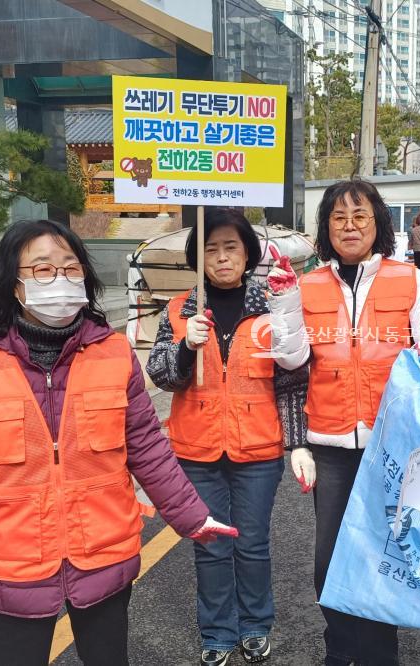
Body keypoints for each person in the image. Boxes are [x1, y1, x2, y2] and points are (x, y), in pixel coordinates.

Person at [0, 220, 230, 665]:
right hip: (12, 565)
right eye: (42, 270)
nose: (60, 281)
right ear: (13, 285)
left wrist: (192, 517)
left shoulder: (114, 354)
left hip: (103, 554)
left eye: (70, 268)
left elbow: (149, 450)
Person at [266, 178, 420, 666]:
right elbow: (291, 362)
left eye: (360, 215)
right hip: (330, 446)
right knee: (331, 562)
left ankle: (378, 653)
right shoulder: (307, 285)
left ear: (378, 223)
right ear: (325, 227)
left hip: (394, 445)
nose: (350, 225)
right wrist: (283, 306)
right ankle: (342, 646)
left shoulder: (410, 279)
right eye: (339, 217)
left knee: (388, 556)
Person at [146, 209, 308, 666]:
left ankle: (255, 625)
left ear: (247, 254)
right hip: (196, 450)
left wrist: (296, 443)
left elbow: (293, 381)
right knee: (211, 544)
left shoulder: (272, 303)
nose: (221, 257)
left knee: (252, 543)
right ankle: (217, 632)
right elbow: (160, 374)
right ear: (198, 258)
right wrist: (184, 348)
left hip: (257, 449)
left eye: (230, 247)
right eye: (210, 249)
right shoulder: (181, 308)